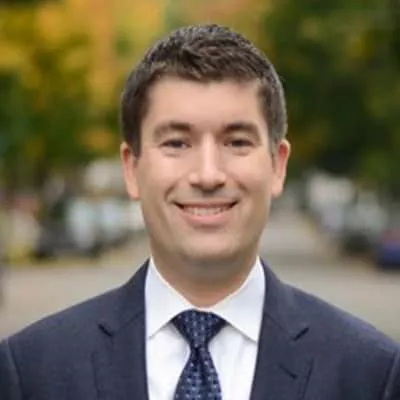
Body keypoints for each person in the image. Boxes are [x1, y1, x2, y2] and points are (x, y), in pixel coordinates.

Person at [0, 24, 399, 400]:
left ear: (277, 165)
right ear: (131, 168)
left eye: (236, 142)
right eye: (176, 142)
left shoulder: (370, 374)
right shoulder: (32, 371)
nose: (208, 175)